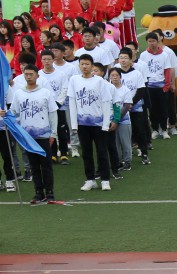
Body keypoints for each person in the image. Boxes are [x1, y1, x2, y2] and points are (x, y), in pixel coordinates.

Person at [2, 65, 58, 203]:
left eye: (31, 74)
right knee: (33, 165)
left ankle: (49, 192)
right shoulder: (19, 93)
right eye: (26, 74)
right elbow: (14, 112)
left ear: (37, 75)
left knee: (46, 165)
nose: (28, 76)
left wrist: (53, 133)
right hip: (27, 136)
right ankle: (38, 192)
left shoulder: (45, 92)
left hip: (44, 135)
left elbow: (53, 114)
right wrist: (5, 114)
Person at [66, 53, 115, 191]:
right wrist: (74, 124)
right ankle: (90, 179)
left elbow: (106, 102)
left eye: (87, 64)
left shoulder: (99, 81)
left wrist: (106, 123)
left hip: (98, 123)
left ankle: (105, 180)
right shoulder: (74, 80)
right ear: (79, 65)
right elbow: (72, 102)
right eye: (82, 64)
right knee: (86, 153)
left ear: (92, 66)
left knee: (102, 152)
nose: (84, 66)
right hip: (82, 124)